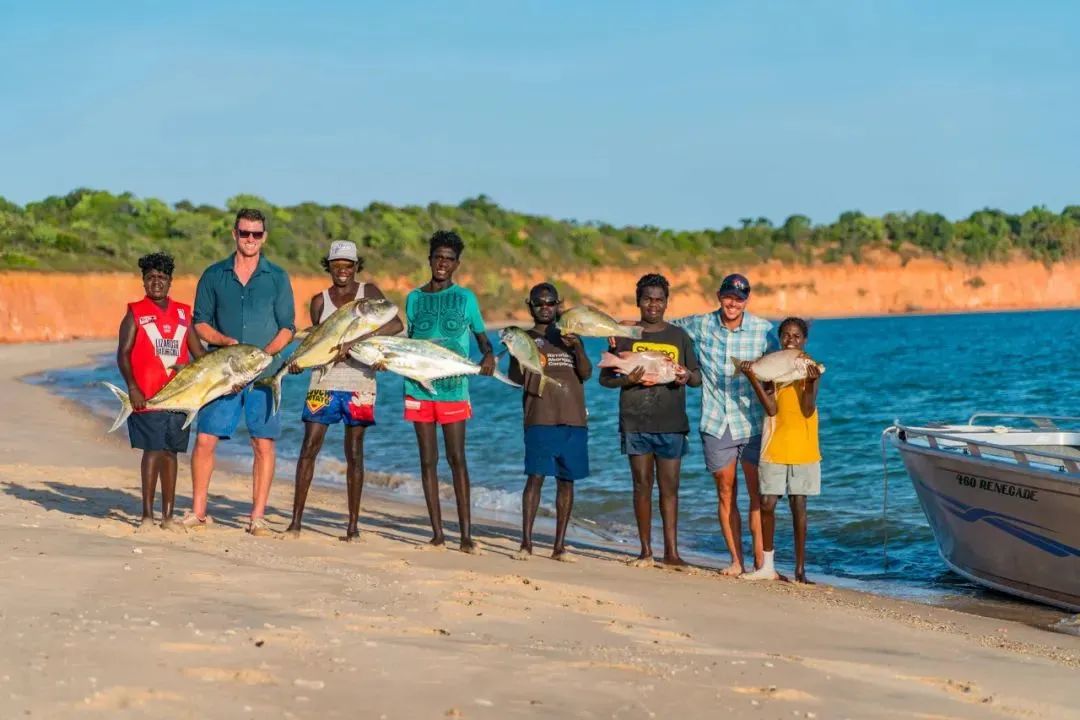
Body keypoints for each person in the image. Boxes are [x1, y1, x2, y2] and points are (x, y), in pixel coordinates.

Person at [284, 241, 403, 541]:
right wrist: (298, 363)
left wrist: (358, 340)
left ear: (355, 267)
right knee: (309, 447)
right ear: (329, 267)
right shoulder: (319, 301)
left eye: (348, 265)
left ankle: (353, 526)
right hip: (323, 382)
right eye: (337, 265)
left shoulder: (369, 294)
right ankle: (295, 522)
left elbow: (396, 324)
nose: (342, 271)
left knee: (354, 453)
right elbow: (317, 343)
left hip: (360, 381)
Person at [188, 208, 296, 536]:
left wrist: (263, 356)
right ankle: (197, 512)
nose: (250, 239)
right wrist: (224, 342)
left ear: (264, 236)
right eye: (244, 233)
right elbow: (200, 323)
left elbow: (288, 328)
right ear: (234, 234)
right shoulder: (213, 275)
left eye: (257, 234)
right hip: (222, 372)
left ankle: (257, 517)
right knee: (206, 439)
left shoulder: (277, 277)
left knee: (263, 443)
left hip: (265, 374)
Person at [672, 273, 777, 576]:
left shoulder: (762, 331)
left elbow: (779, 364)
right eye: (728, 296)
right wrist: (625, 331)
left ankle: (761, 562)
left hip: (753, 421)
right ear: (720, 296)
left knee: (758, 494)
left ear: (747, 300)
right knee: (725, 490)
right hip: (717, 422)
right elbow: (665, 330)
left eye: (740, 298)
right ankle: (736, 561)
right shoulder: (701, 325)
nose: (733, 303)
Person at [599, 274, 700, 568]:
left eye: (659, 299)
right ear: (638, 301)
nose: (653, 305)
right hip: (635, 422)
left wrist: (685, 376)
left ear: (667, 302)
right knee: (642, 485)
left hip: (672, 423)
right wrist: (626, 380)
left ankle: (671, 552)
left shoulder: (679, 336)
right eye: (647, 299)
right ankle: (645, 551)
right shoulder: (625, 334)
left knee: (670, 488)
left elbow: (696, 378)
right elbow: (605, 378)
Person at [404, 230, 496, 553]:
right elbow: (409, 342)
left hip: (454, 389)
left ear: (457, 264)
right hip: (417, 388)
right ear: (429, 259)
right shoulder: (414, 298)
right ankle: (438, 534)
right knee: (428, 460)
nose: (442, 263)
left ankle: (466, 535)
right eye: (437, 257)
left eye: (449, 259)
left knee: (457, 459)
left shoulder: (467, 298)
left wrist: (488, 355)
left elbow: (483, 339)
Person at [116, 252, 206, 531]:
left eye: (162, 278)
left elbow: (199, 355)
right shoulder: (134, 312)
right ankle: (146, 516)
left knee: (171, 453)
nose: (157, 282)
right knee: (153, 451)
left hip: (180, 398)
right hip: (147, 395)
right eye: (151, 277)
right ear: (144, 281)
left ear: (170, 282)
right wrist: (132, 387)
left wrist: (227, 374)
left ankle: (168, 517)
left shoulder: (183, 313)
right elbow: (123, 354)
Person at [507, 283, 592, 562]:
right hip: (539, 417)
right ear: (529, 305)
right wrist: (515, 353)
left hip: (573, 418)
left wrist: (578, 347)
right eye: (539, 303)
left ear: (559, 304)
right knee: (536, 478)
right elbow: (517, 380)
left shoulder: (569, 335)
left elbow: (586, 373)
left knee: (566, 482)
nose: (545, 307)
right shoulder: (523, 337)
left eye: (550, 302)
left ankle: (559, 546)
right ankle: (526, 543)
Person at [739, 317, 821, 583]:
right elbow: (771, 409)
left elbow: (808, 409)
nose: (790, 341)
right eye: (786, 335)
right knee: (767, 503)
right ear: (780, 337)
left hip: (804, 446)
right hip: (773, 442)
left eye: (796, 337)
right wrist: (753, 377)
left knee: (799, 505)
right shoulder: (772, 367)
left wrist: (808, 383)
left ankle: (800, 570)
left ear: (804, 341)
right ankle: (768, 566)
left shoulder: (809, 368)